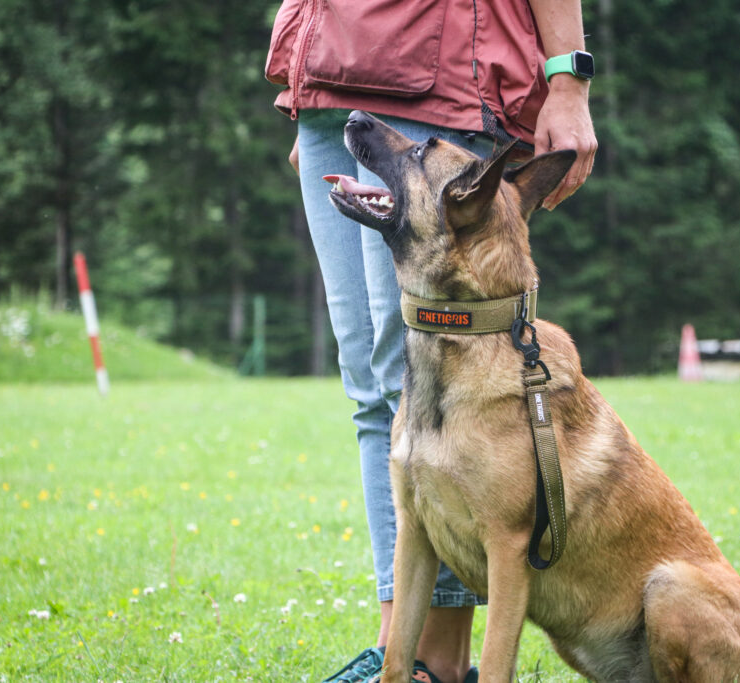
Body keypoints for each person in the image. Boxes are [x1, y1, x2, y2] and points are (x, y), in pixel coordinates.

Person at [265, 2, 597, 681]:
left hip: (438, 72)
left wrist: (569, 78)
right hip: (332, 80)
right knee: (371, 388)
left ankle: (436, 661)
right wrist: (309, 74)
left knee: (409, 376)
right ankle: (397, 649)